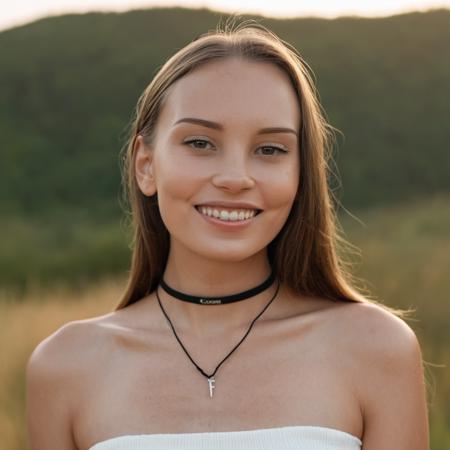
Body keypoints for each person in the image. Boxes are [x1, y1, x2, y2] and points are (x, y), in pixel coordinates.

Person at [26, 21, 429, 450]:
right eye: (200, 143)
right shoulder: (65, 367)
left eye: (270, 149)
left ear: (300, 173)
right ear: (146, 165)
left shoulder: (376, 349)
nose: (236, 178)